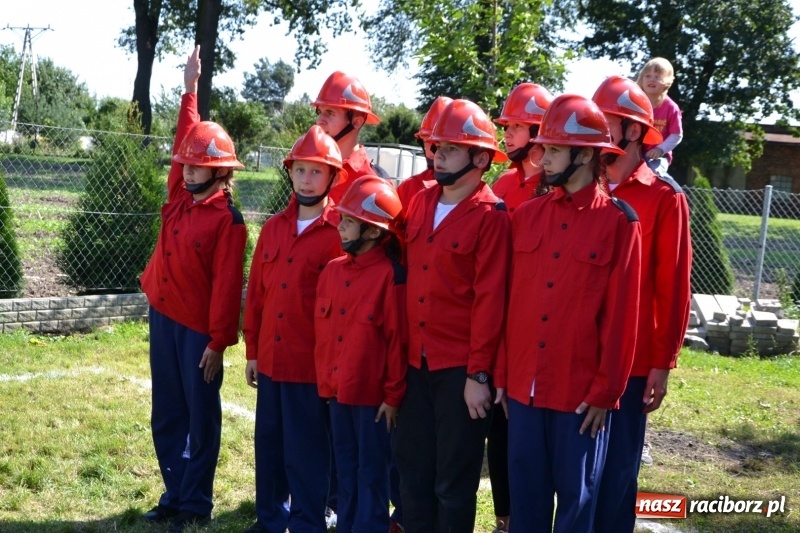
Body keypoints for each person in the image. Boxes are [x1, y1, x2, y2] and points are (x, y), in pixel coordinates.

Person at [499, 94, 642, 533]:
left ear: (585, 154)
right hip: (523, 391)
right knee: (525, 506)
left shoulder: (620, 223)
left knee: (577, 509)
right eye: (543, 147)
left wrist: (606, 392)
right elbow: (508, 305)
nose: (542, 158)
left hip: (579, 396)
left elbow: (623, 317)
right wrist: (503, 377)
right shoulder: (526, 216)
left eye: (556, 150)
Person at [139, 45, 247, 533]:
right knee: (167, 412)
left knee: (199, 417)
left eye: (197, 167)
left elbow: (228, 287)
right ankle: (174, 491)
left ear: (220, 171)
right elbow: (188, 136)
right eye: (185, 165)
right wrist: (189, 89)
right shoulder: (180, 193)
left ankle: (196, 503)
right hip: (162, 316)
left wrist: (218, 342)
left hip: (197, 334)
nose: (186, 171)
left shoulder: (227, 220)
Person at [394, 98, 511, 533]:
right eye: (436, 146)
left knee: (453, 483)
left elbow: (489, 300)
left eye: (450, 148)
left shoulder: (492, 216)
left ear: (480, 158)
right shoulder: (420, 202)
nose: (437, 153)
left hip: (459, 370)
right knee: (413, 474)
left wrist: (478, 376)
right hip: (413, 364)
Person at [591, 75, 692, 533]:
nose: (592, 131)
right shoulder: (580, 192)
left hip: (631, 364)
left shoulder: (663, 198)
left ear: (632, 131)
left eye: (603, 122)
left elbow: (672, 286)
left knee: (616, 474)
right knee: (574, 477)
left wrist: (663, 362)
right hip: (577, 355)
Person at [243, 125, 345, 533]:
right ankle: (270, 519)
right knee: (269, 445)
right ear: (290, 173)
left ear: (332, 177)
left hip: (310, 367)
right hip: (270, 360)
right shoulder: (272, 229)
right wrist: (252, 350)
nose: (306, 179)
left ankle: (307, 521)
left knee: (306, 450)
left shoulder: (340, 233)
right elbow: (258, 297)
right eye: (300, 170)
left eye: (316, 172)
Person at [314, 175, 408, 533]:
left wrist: (393, 395)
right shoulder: (333, 272)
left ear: (372, 231)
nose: (340, 225)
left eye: (349, 221)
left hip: (373, 401)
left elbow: (397, 342)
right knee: (346, 468)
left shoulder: (391, 277)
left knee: (371, 472)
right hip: (338, 394)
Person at [313, 71, 389, 202]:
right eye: (320, 112)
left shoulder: (375, 182)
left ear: (356, 122)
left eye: (330, 113)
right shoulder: (309, 167)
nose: (320, 120)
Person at [492, 82, 555, 216]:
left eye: (517, 126)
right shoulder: (503, 182)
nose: (506, 134)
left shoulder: (559, 187)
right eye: (506, 126)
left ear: (537, 131)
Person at [396, 96, 452, 217]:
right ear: (421, 143)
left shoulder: (473, 193)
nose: (437, 152)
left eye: (447, 145)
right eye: (429, 143)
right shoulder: (408, 189)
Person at [636, 57, 683, 176]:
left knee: (652, 174)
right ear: (641, 79)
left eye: (657, 77)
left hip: (658, 157)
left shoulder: (670, 107)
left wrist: (660, 149)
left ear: (667, 82)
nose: (652, 79)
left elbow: (676, 135)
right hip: (634, 153)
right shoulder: (635, 104)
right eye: (648, 76)